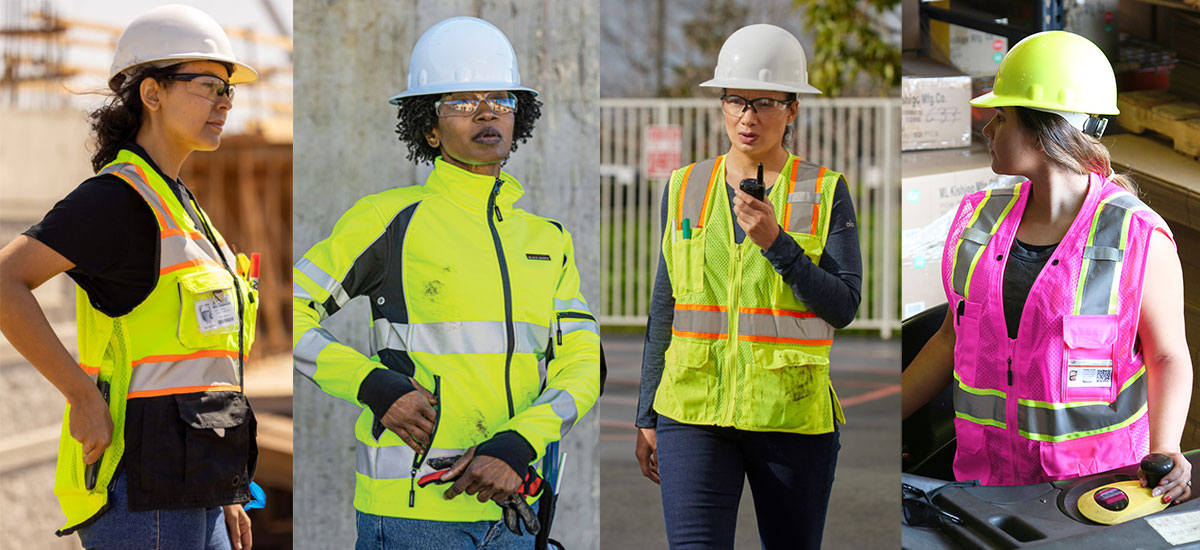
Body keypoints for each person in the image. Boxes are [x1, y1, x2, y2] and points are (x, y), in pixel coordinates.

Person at [292, 16, 600, 550]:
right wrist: (372, 384)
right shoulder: (387, 220)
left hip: (514, 505)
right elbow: (288, 311)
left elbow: (582, 361)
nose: (486, 112)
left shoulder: (549, 239)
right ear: (429, 128)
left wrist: (519, 443)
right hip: (410, 515)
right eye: (460, 102)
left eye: (500, 99)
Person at [0, 5, 261, 549]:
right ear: (151, 92)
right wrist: (81, 396)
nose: (225, 102)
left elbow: (204, 362)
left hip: (199, 487)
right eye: (209, 84)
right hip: (143, 494)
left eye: (229, 90)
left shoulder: (181, 204)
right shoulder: (116, 201)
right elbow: (5, 281)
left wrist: (228, 486)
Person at [901, 31, 1193, 505]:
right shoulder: (978, 223)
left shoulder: (1137, 236)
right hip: (984, 485)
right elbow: (950, 340)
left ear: (1044, 130)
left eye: (1001, 116)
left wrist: (1165, 448)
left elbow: (1167, 356)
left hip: (1094, 492)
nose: (987, 129)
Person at [634, 23, 863, 550]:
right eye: (735, 99)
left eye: (764, 102)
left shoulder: (823, 189)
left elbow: (844, 305)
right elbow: (664, 309)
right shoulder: (685, 185)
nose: (747, 116)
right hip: (691, 412)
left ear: (792, 109)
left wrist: (777, 242)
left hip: (789, 414)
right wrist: (647, 412)